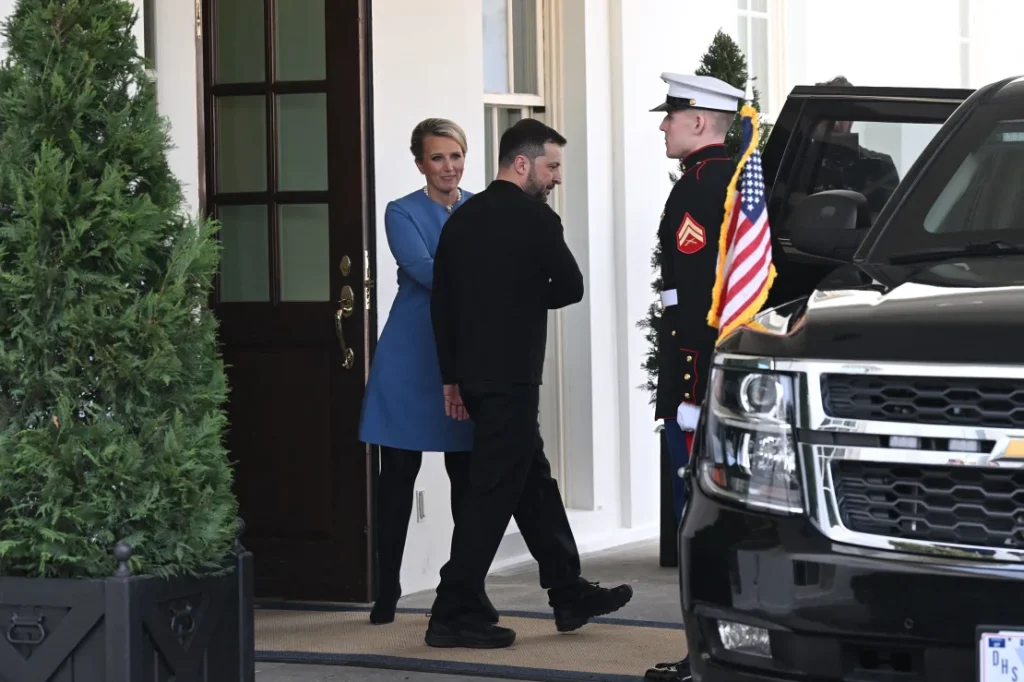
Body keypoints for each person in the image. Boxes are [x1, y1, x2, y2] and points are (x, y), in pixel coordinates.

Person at [425, 118, 633, 649]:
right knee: (494, 490)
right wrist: (516, 297)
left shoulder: (460, 219)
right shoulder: (537, 220)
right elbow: (569, 287)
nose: (557, 178)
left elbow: (441, 307)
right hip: (513, 375)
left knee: (530, 478)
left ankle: (568, 591)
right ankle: (452, 609)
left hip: (470, 375)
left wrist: (451, 378)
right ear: (523, 163)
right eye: (553, 166)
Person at [358, 118, 497, 626]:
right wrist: (487, 277)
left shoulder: (484, 207)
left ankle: (463, 588)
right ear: (420, 163)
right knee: (396, 476)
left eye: (456, 156)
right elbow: (426, 271)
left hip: (464, 353)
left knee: (467, 477)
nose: (449, 167)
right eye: (437, 158)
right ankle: (386, 588)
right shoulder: (402, 212)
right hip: (411, 356)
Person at [642, 74, 745, 682]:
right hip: (725, 372)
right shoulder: (733, 178)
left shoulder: (698, 191)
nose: (663, 125)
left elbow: (697, 309)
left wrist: (687, 390)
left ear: (701, 122)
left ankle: (700, 658)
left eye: (672, 115)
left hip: (699, 375)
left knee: (698, 524)